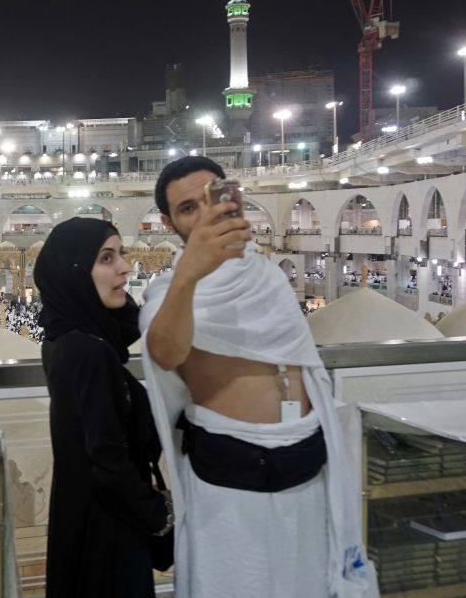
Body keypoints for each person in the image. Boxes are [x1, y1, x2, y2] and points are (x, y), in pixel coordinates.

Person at [140, 156, 376, 598]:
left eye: (211, 198)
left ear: (234, 199)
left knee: (306, 580)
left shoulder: (268, 276)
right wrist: (190, 273)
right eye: (188, 208)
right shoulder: (170, 291)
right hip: (230, 469)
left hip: (305, 455)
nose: (204, 214)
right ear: (170, 225)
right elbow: (165, 351)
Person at [35, 217, 172, 598]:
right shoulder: (88, 351)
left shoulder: (65, 338)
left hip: (84, 520)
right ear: (75, 272)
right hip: (108, 537)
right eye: (106, 258)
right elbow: (109, 462)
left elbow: (127, 326)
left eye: (121, 254)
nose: (125, 267)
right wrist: (160, 516)